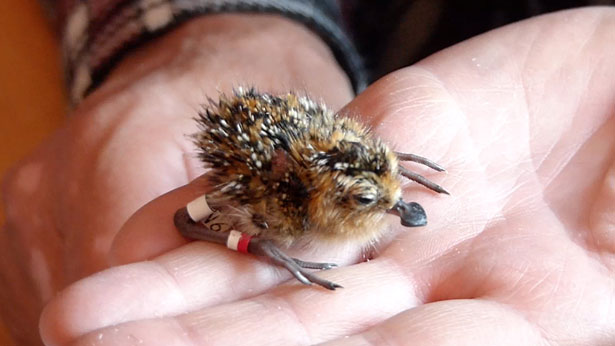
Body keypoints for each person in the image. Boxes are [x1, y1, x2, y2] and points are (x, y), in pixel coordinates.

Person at [1, 1, 615, 344]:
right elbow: (183, 219)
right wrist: (218, 22)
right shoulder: (285, 205)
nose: (404, 212)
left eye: (392, 196)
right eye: (381, 201)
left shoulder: (358, 157)